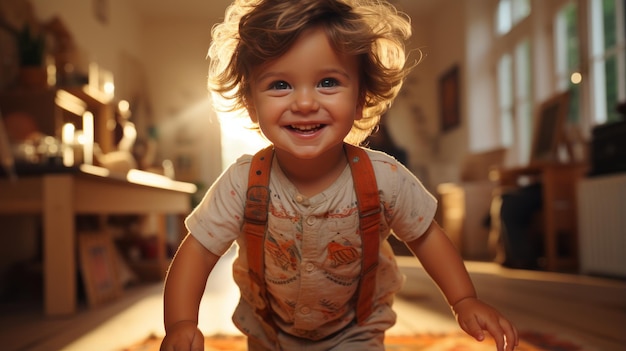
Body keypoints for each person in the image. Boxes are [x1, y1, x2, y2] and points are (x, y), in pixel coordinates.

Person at [160, 1, 518, 350]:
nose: (304, 103)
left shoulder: (385, 179)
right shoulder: (242, 183)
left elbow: (426, 237)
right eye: (280, 85)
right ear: (252, 104)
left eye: (328, 82)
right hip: (268, 332)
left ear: (361, 98)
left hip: (355, 331)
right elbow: (198, 252)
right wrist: (180, 323)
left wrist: (464, 299)